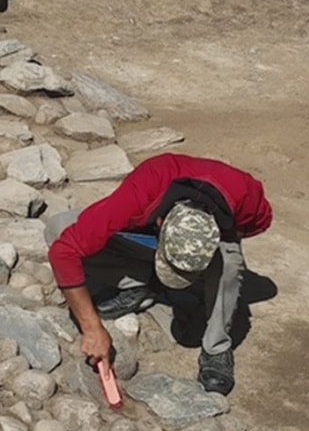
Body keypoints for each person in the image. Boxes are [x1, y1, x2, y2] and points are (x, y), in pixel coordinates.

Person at [45, 153, 272, 396]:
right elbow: (64, 251)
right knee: (59, 229)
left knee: (229, 262)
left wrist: (210, 250)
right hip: (147, 224)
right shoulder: (142, 191)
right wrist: (92, 328)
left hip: (216, 233)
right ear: (161, 220)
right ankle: (138, 283)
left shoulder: (247, 197)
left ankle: (217, 347)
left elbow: (256, 224)